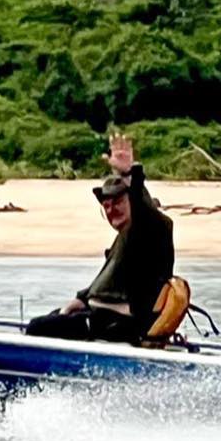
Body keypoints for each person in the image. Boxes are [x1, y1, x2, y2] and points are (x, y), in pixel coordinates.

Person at [26, 133, 175, 344]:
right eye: (107, 206)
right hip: (100, 317)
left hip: (121, 324)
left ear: (133, 201)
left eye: (118, 202)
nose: (111, 210)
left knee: (37, 327)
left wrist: (128, 173)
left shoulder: (155, 229)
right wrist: (80, 299)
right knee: (52, 318)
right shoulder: (123, 238)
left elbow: (144, 209)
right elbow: (105, 283)